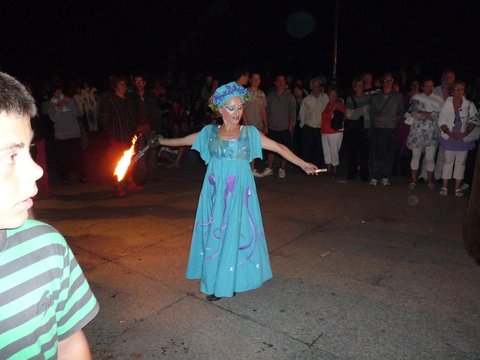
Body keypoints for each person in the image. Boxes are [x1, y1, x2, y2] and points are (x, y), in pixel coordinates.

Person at [154, 81, 317, 301]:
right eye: (231, 108)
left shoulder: (249, 133)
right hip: (214, 193)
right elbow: (183, 140)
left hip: (238, 193)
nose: (237, 112)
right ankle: (214, 279)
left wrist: (303, 163)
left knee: (233, 233)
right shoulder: (209, 133)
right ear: (219, 109)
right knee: (215, 232)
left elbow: (279, 147)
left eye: (240, 107)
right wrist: (161, 140)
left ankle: (225, 283)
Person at [0, 71, 99, 358]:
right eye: (10, 155)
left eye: (28, 149)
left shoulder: (46, 247)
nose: (38, 170)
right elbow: (54, 118)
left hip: (72, 134)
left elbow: (69, 343)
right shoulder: (54, 105)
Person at [99, 75, 142, 196]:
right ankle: (118, 185)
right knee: (116, 162)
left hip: (129, 137)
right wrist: (111, 134)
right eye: (122, 85)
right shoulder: (110, 101)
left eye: (125, 84)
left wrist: (135, 131)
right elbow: (104, 120)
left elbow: (132, 117)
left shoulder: (128, 101)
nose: (124, 87)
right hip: (117, 138)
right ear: (116, 87)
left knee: (130, 160)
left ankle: (130, 181)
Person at [438, 80, 477, 196]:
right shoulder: (447, 104)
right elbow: (441, 121)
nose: (459, 91)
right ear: (452, 91)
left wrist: (464, 133)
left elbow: (475, 120)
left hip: (463, 138)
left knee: (461, 163)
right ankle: (444, 186)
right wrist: (449, 133)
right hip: (449, 136)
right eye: (457, 89)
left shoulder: (470, 104)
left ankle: (457, 187)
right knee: (447, 162)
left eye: (461, 89)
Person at [405, 78, 444, 189]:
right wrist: (431, 113)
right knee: (416, 156)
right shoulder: (417, 97)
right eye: (427, 86)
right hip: (417, 132)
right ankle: (413, 181)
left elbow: (440, 114)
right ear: (422, 87)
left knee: (430, 158)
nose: (429, 88)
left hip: (431, 132)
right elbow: (415, 113)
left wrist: (425, 113)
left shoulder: (438, 99)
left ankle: (430, 181)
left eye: (431, 86)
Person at [47, 83, 88, 185]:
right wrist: (60, 106)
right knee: (62, 159)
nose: (59, 93)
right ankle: (64, 178)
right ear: (53, 93)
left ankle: (82, 176)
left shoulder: (70, 100)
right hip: (61, 136)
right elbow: (54, 118)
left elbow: (78, 113)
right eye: (56, 91)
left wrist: (69, 102)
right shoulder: (50, 104)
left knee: (78, 157)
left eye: (60, 91)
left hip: (74, 134)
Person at [369, 73, 405, 186]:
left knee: (389, 153)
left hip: (391, 128)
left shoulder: (398, 96)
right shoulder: (375, 96)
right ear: (382, 81)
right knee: (376, 153)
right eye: (386, 80)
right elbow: (372, 112)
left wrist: (393, 119)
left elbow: (401, 112)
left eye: (390, 80)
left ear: (393, 82)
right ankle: (375, 176)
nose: (388, 82)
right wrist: (378, 119)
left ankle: (385, 176)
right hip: (378, 128)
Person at [262, 74, 297, 178]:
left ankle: (282, 168)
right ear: (275, 83)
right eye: (279, 81)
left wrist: (290, 126)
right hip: (272, 127)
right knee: (270, 149)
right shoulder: (270, 96)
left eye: (283, 81)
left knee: (285, 149)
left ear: (285, 83)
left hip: (285, 128)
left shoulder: (290, 97)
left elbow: (292, 113)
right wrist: (266, 125)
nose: (281, 83)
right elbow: (266, 111)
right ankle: (270, 168)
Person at [344, 77, 371, 181]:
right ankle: (352, 173)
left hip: (365, 128)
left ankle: (364, 174)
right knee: (352, 152)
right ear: (354, 87)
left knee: (364, 153)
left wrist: (356, 111)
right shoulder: (350, 99)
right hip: (353, 128)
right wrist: (362, 110)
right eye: (357, 85)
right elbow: (349, 115)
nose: (359, 87)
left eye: (361, 85)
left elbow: (368, 112)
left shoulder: (368, 98)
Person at [299, 77, 328, 168]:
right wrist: (303, 126)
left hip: (321, 128)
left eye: (318, 86)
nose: (317, 88)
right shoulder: (307, 99)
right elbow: (302, 113)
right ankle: (306, 168)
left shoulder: (325, 97)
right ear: (311, 87)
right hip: (309, 127)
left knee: (319, 149)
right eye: (315, 86)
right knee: (307, 149)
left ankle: (317, 168)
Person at [243, 72, 268, 177]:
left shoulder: (262, 93)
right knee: (247, 147)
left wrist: (266, 124)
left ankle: (251, 169)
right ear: (250, 80)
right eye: (254, 78)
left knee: (254, 147)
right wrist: (246, 123)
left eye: (258, 78)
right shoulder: (245, 92)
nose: (256, 80)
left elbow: (263, 110)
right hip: (248, 125)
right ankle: (249, 169)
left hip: (258, 125)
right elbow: (242, 110)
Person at [321, 86, 345, 177]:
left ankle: (335, 169)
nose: (333, 97)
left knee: (334, 150)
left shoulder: (339, 105)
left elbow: (341, 118)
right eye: (331, 95)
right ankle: (328, 168)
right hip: (325, 131)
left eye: (335, 95)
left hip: (334, 132)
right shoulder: (327, 104)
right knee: (327, 150)